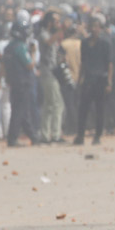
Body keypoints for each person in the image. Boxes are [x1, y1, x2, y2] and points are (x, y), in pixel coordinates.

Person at [74, 14, 112, 146]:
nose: (95, 29)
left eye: (97, 27)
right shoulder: (84, 43)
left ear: (100, 29)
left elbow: (109, 64)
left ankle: (98, 136)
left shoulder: (105, 43)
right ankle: (80, 136)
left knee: (100, 109)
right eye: (93, 27)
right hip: (88, 79)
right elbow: (83, 62)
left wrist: (109, 81)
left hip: (100, 79)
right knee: (83, 109)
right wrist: (80, 79)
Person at [4, 21, 39, 147]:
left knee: (22, 111)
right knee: (19, 111)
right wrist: (33, 53)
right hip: (22, 82)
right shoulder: (20, 47)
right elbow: (30, 65)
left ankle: (33, 136)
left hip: (14, 82)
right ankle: (12, 139)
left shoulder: (9, 47)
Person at [37, 11, 66, 143]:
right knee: (57, 104)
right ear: (49, 22)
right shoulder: (44, 33)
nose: (58, 24)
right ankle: (55, 135)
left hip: (52, 72)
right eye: (56, 21)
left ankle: (45, 134)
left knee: (49, 105)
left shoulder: (51, 34)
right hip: (48, 73)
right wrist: (60, 31)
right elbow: (48, 42)